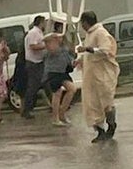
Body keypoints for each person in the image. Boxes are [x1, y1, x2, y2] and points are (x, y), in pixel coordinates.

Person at [76, 11, 120, 143]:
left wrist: (87, 49)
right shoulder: (89, 35)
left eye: (82, 23)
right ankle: (100, 131)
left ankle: (111, 125)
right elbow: (87, 54)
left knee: (106, 102)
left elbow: (105, 51)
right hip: (91, 76)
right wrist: (80, 60)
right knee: (92, 103)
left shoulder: (101, 33)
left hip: (103, 75)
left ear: (85, 22)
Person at [43, 33, 76, 127]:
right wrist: (54, 38)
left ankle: (62, 113)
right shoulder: (51, 44)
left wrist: (73, 62)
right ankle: (55, 118)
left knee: (72, 89)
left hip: (63, 71)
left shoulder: (65, 47)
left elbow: (69, 57)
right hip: (53, 71)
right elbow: (48, 45)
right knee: (57, 93)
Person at [22, 15, 47, 119]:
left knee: (46, 83)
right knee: (33, 87)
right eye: (44, 22)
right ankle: (27, 110)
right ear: (40, 22)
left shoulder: (39, 33)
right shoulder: (33, 33)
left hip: (39, 62)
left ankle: (54, 104)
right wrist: (45, 46)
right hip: (34, 63)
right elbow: (32, 46)